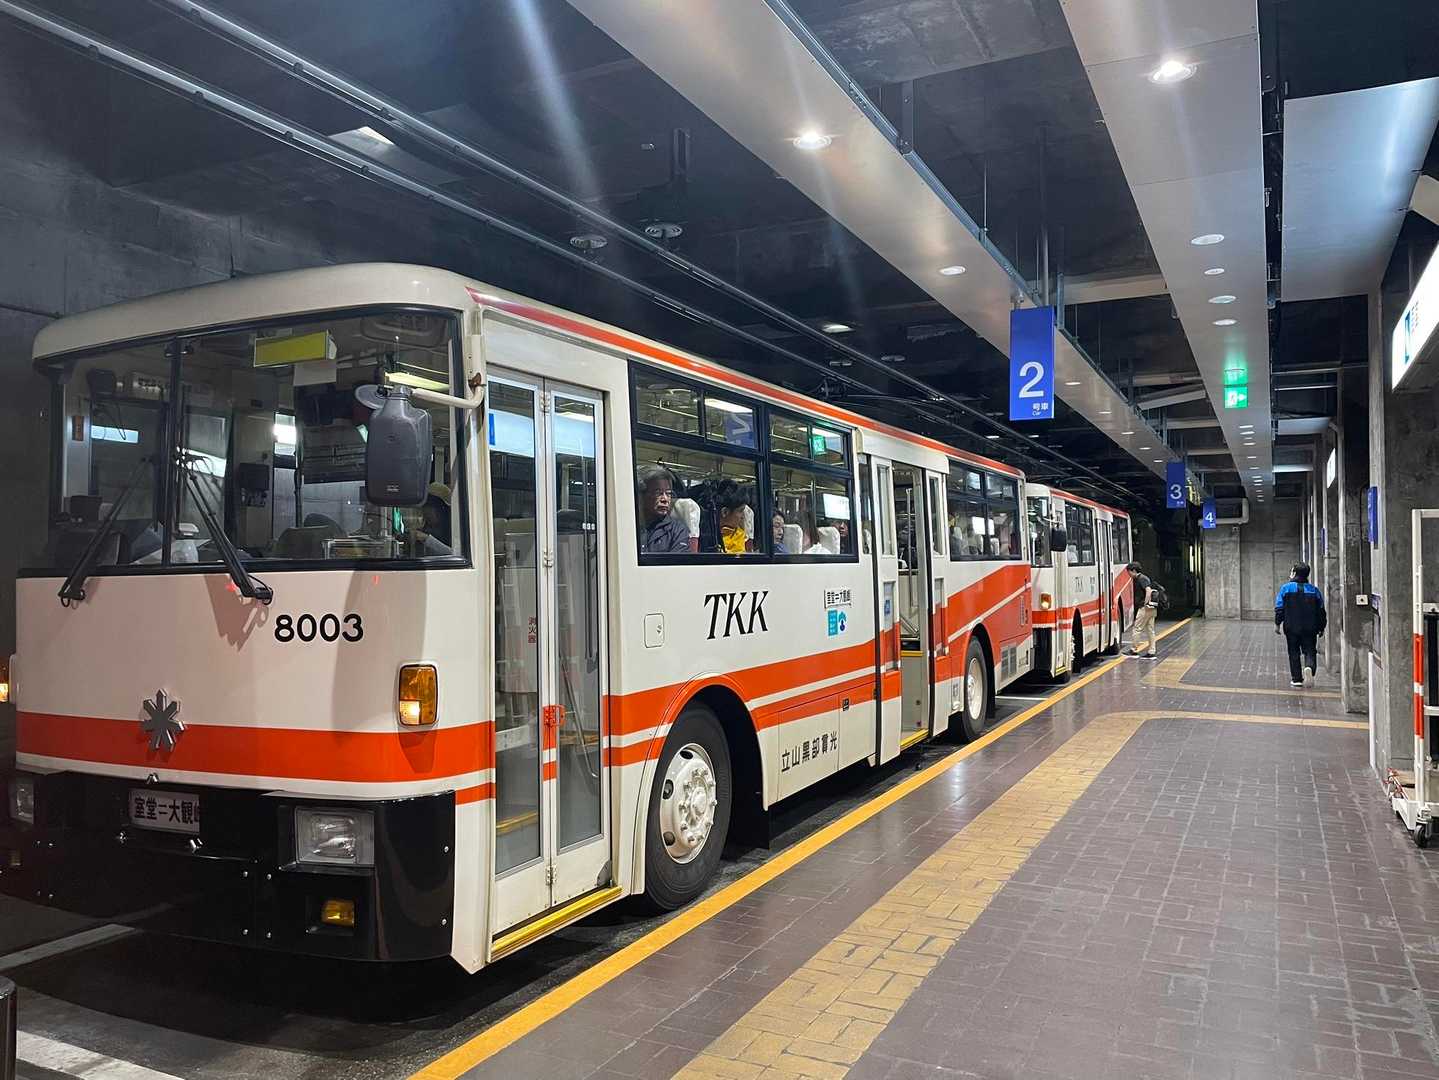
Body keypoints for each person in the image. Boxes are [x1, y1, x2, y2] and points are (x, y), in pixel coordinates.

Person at [1275, 562, 1326, 687]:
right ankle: (1309, 667)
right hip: (1310, 627)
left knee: (1293, 652)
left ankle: (1296, 679)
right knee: (1310, 650)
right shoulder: (1314, 590)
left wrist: (1277, 624)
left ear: (1294, 573)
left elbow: (1279, 608)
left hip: (1291, 627)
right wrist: (1321, 627)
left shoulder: (1285, 589)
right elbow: (1321, 611)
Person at [637, 464, 690, 554]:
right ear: (641, 496)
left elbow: (678, 562)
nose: (665, 499)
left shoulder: (678, 531)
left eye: (668, 493)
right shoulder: (630, 525)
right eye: (658, 493)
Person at [409, 482, 453, 555]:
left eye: (432, 507)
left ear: (443, 509)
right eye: (424, 506)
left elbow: (456, 554)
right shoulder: (426, 529)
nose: (426, 511)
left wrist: (427, 539)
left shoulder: (454, 531)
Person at [1127, 560, 1158, 658]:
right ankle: (1152, 651)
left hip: (1145, 608)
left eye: (1129, 572)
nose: (1129, 574)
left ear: (1134, 570)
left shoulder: (1141, 579)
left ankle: (1134, 650)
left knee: (1137, 628)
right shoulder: (1144, 578)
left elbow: (1148, 591)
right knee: (1150, 630)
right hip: (1152, 608)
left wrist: (1145, 603)